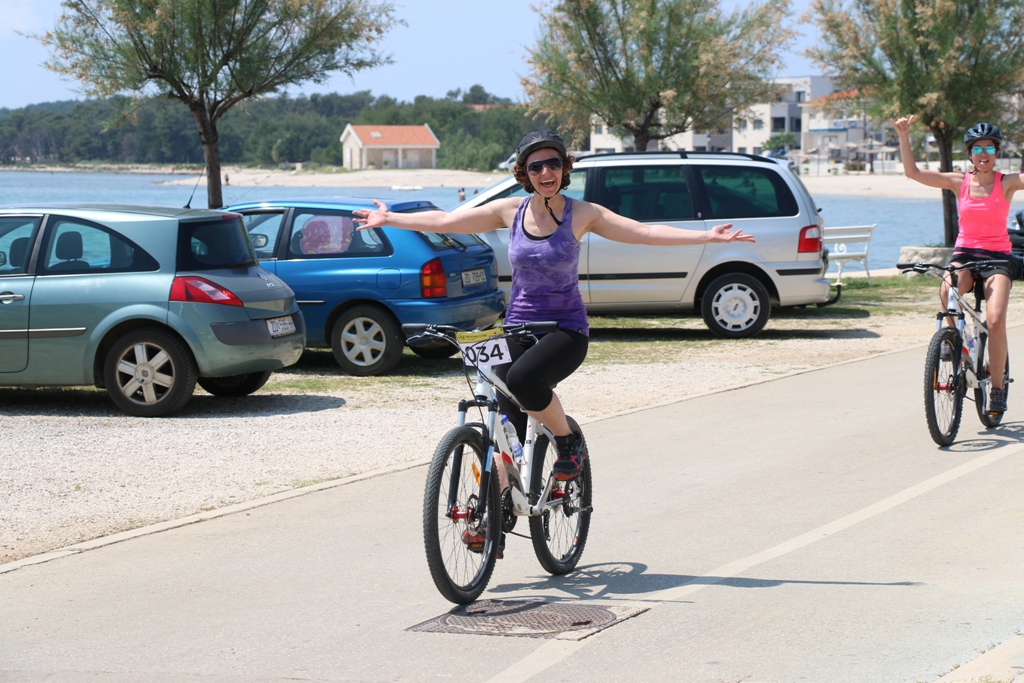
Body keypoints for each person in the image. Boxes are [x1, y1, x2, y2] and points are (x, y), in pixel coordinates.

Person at [352, 130, 754, 479]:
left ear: (564, 168)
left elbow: (644, 233)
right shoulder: (509, 211)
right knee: (500, 419)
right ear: (524, 174)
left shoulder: (583, 213)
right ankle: (490, 511)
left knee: (524, 380)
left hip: (565, 330)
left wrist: (707, 238)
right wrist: (391, 220)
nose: (545, 173)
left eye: (552, 165)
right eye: (535, 167)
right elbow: (445, 221)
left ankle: (568, 442)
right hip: (517, 327)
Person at [893, 116, 1024, 412]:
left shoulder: (1008, 183)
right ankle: (953, 342)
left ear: (996, 153)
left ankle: (998, 389)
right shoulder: (958, 181)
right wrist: (903, 135)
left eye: (989, 149)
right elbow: (913, 172)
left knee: (995, 320)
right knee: (947, 292)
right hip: (965, 255)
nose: (983, 155)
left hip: (997, 260)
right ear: (969, 154)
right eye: (978, 149)